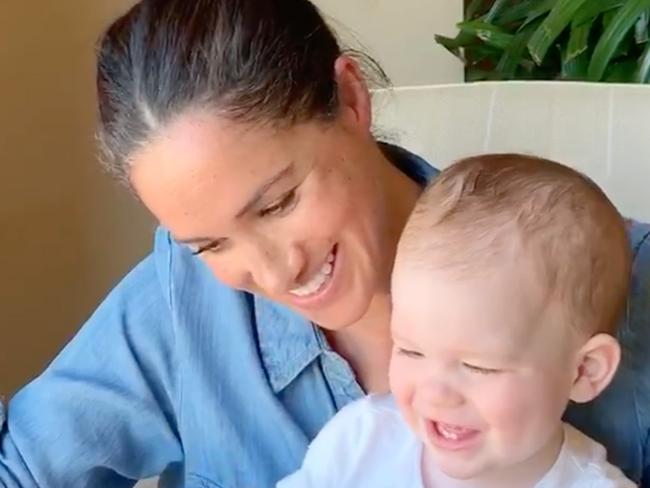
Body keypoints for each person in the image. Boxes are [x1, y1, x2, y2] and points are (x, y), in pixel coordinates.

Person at [0, 0, 649, 487]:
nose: (275, 271)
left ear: (348, 99)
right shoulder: (183, 298)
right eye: (209, 244)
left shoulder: (627, 280)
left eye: (278, 203)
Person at [278, 154, 636, 488]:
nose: (434, 393)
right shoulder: (360, 442)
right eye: (410, 351)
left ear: (585, 370)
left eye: (477, 366)